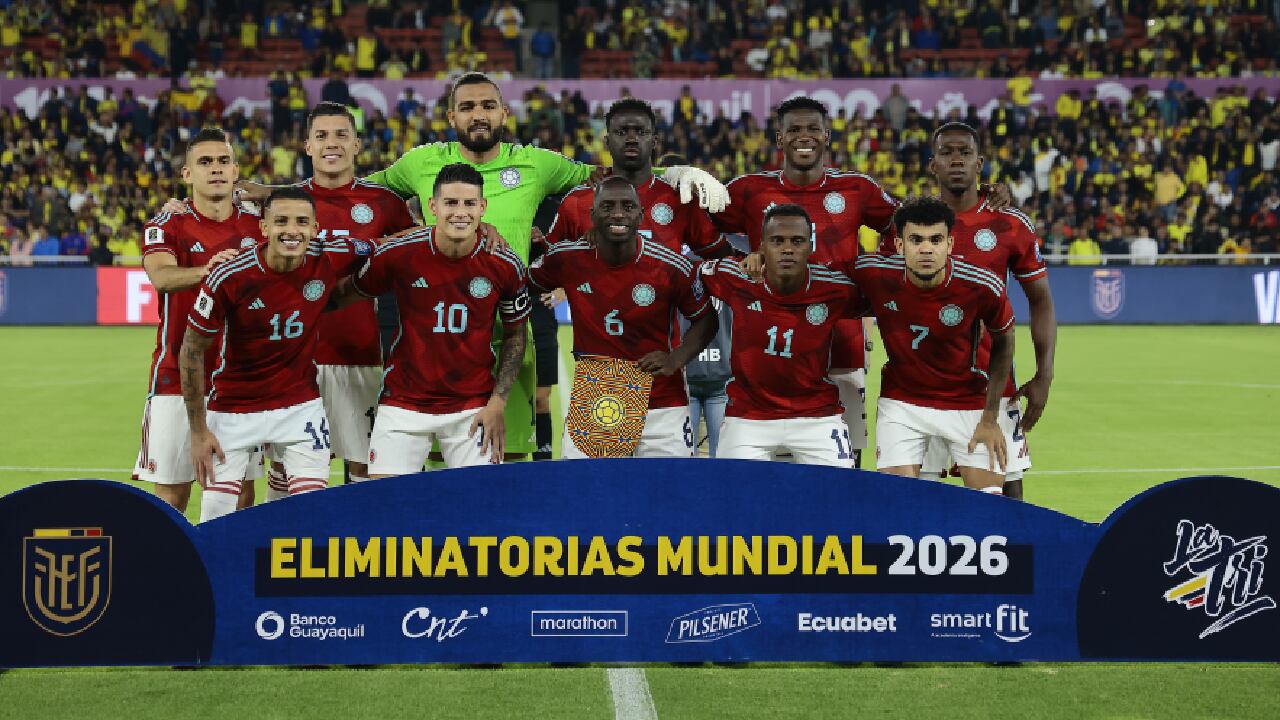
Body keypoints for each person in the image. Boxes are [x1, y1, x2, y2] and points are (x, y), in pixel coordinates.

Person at [712, 97, 898, 468]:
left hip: (839, 339)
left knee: (845, 455)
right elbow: (699, 228)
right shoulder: (749, 189)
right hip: (768, 343)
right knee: (770, 460)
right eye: (794, 130)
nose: (804, 137)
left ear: (827, 135)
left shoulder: (857, 189)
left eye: (812, 128)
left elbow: (905, 224)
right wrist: (737, 260)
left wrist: (877, 274)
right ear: (779, 138)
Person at [180, 187, 373, 522]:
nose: (291, 230)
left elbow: (387, 246)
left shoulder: (331, 255)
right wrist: (198, 432)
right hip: (234, 409)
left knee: (310, 512)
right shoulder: (230, 275)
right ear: (264, 228)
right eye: (281, 221)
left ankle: (292, 573)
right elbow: (192, 351)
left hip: (300, 407)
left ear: (315, 228)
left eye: (301, 222)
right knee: (215, 516)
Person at [330, 164, 531, 473]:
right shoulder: (399, 254)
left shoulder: (504, 263)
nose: (460, 212)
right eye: (451, 203)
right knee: (388, 510)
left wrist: (497, 403)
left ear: (483, 207)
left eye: (469, 203)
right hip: (403, 403)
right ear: (433, 207)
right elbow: (345, 293)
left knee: (477, 514)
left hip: (473, 406)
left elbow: (516, 335)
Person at [899, 121, 1057, 500]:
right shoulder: (910, 224)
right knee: (920, 503)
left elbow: (1041, 301)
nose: (956, 160)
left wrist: (1044, 375)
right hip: (923, 389)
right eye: (947, 153)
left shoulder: (1009, 224)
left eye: (965, 153)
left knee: (1008, 495)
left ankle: (1014, 560)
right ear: (933, 165)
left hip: (993, 385)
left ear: (980, 163)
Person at [528, 176, 718, 458]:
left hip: (662, 401)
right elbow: (519, 282)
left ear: (641, 215)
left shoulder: (670, 265)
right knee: (592, 496)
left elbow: (706, 318)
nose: (618, 213)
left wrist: (676, 358)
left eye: (628, 206)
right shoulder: (567, 259)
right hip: (597, 396)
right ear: (592, 215)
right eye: (607, 207)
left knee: (668, 496)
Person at [279, 102, 415, 495]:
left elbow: (414, 256)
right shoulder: (286, 204)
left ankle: (353, 551)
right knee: (290, 472)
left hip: (362, 356)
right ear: (307, 145)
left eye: (341, 135)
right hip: (293, 359)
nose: (331, 144)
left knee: (364, 467)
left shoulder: (383, 203)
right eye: (321, 136)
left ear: (357, 145)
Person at [133, 127, 263, 514]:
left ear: (236, 171)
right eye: (205, 162)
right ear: (187, 175)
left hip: (240, 381)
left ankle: (230, 575)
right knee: (172, 497)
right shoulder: (168, 224)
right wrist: (210, 270)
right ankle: (169, 574)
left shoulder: (260, 227)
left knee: (240, 495)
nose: (216, 169)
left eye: (223, 161)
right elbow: (162, 277)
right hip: (176, 377)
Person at [854, 196, 1015, 494]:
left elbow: (1005, 339)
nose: (926, 249)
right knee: (897, 501)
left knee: (991, 506)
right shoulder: (873, 273)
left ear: (950, 244)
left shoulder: (981, 285)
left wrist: (991, 418)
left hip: (968, 402)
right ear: (900, 245)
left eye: (936, 239)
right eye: (916, 239)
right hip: (902, 404)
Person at [700, 205, 862, 466]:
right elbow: (688, 274)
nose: (787, 248)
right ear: (761, 246)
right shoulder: (735, 276)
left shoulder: (836, 289)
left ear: (810, 246)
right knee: (735, 501)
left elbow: (882, 301)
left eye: (797, 241)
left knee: (838, 496)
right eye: (777, 241)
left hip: (816, 416)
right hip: (749, 417)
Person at [544, 98, 735, 259]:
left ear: (654, 141)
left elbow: (724, 259)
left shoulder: (680, 199)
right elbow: (546, 266)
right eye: (621, 132)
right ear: (607, 142)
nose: (631, 139)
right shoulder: (576, 202)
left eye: (641, 132)